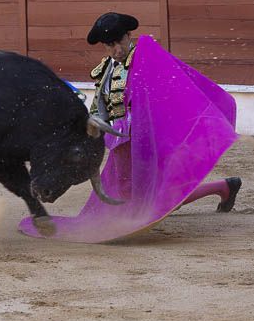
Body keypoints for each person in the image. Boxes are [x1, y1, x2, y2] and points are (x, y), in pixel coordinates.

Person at [86, 13, 241, 209]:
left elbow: (171, 93)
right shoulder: (106, 68)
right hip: (120, 141)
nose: (116, 50)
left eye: (119, 42)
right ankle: (223, 187)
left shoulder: (146, 60)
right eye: (109, 45)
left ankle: (222, 188)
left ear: (128, 36)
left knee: (151, 199)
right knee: (146, 195)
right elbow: (101, 105)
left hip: (145, 139)